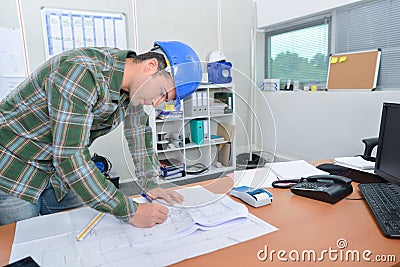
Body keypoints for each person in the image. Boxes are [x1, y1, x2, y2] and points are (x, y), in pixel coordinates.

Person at [0, 41, 202, 227]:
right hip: (15, 167)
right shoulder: (80, 73)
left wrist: (149, 183)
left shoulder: (132, 87)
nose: (156, 103)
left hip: (57, 172)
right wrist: (130, 212)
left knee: (81, 233)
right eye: (161, 93)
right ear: (150, 66)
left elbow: (139, 132)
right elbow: (70, 156)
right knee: (23, 246)